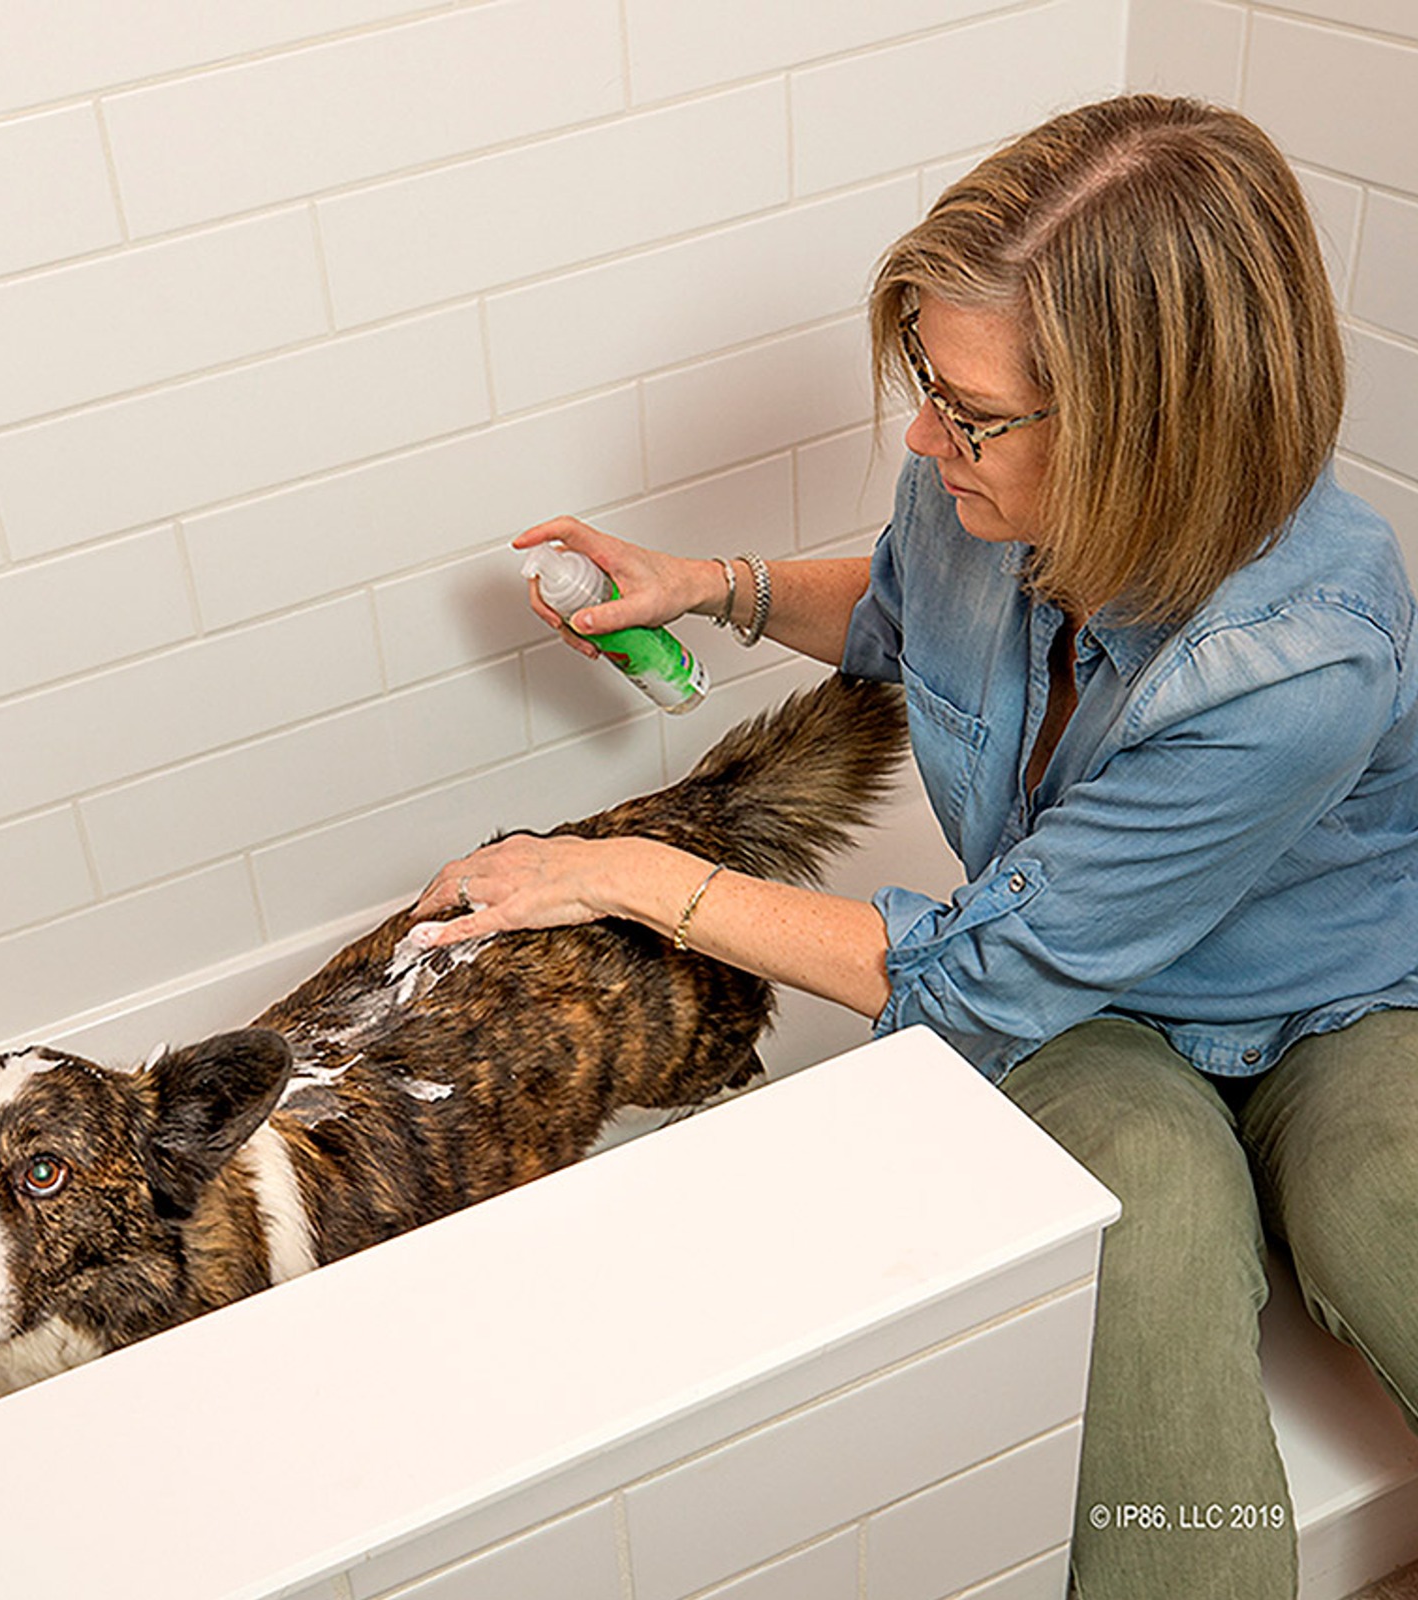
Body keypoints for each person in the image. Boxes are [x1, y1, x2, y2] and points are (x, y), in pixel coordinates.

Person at [410, 93, 1418, 1596]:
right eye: (930, 386)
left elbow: (974, 978)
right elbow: (899, 613)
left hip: (1340, 992)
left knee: (1376, 1201)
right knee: (1143, 1217)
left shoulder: (1302, 657)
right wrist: (713, 584)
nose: (921, 433)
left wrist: (612, 870)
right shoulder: (969, 497)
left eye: (971, 411)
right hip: (1097, 1012)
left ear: (1154, 427)